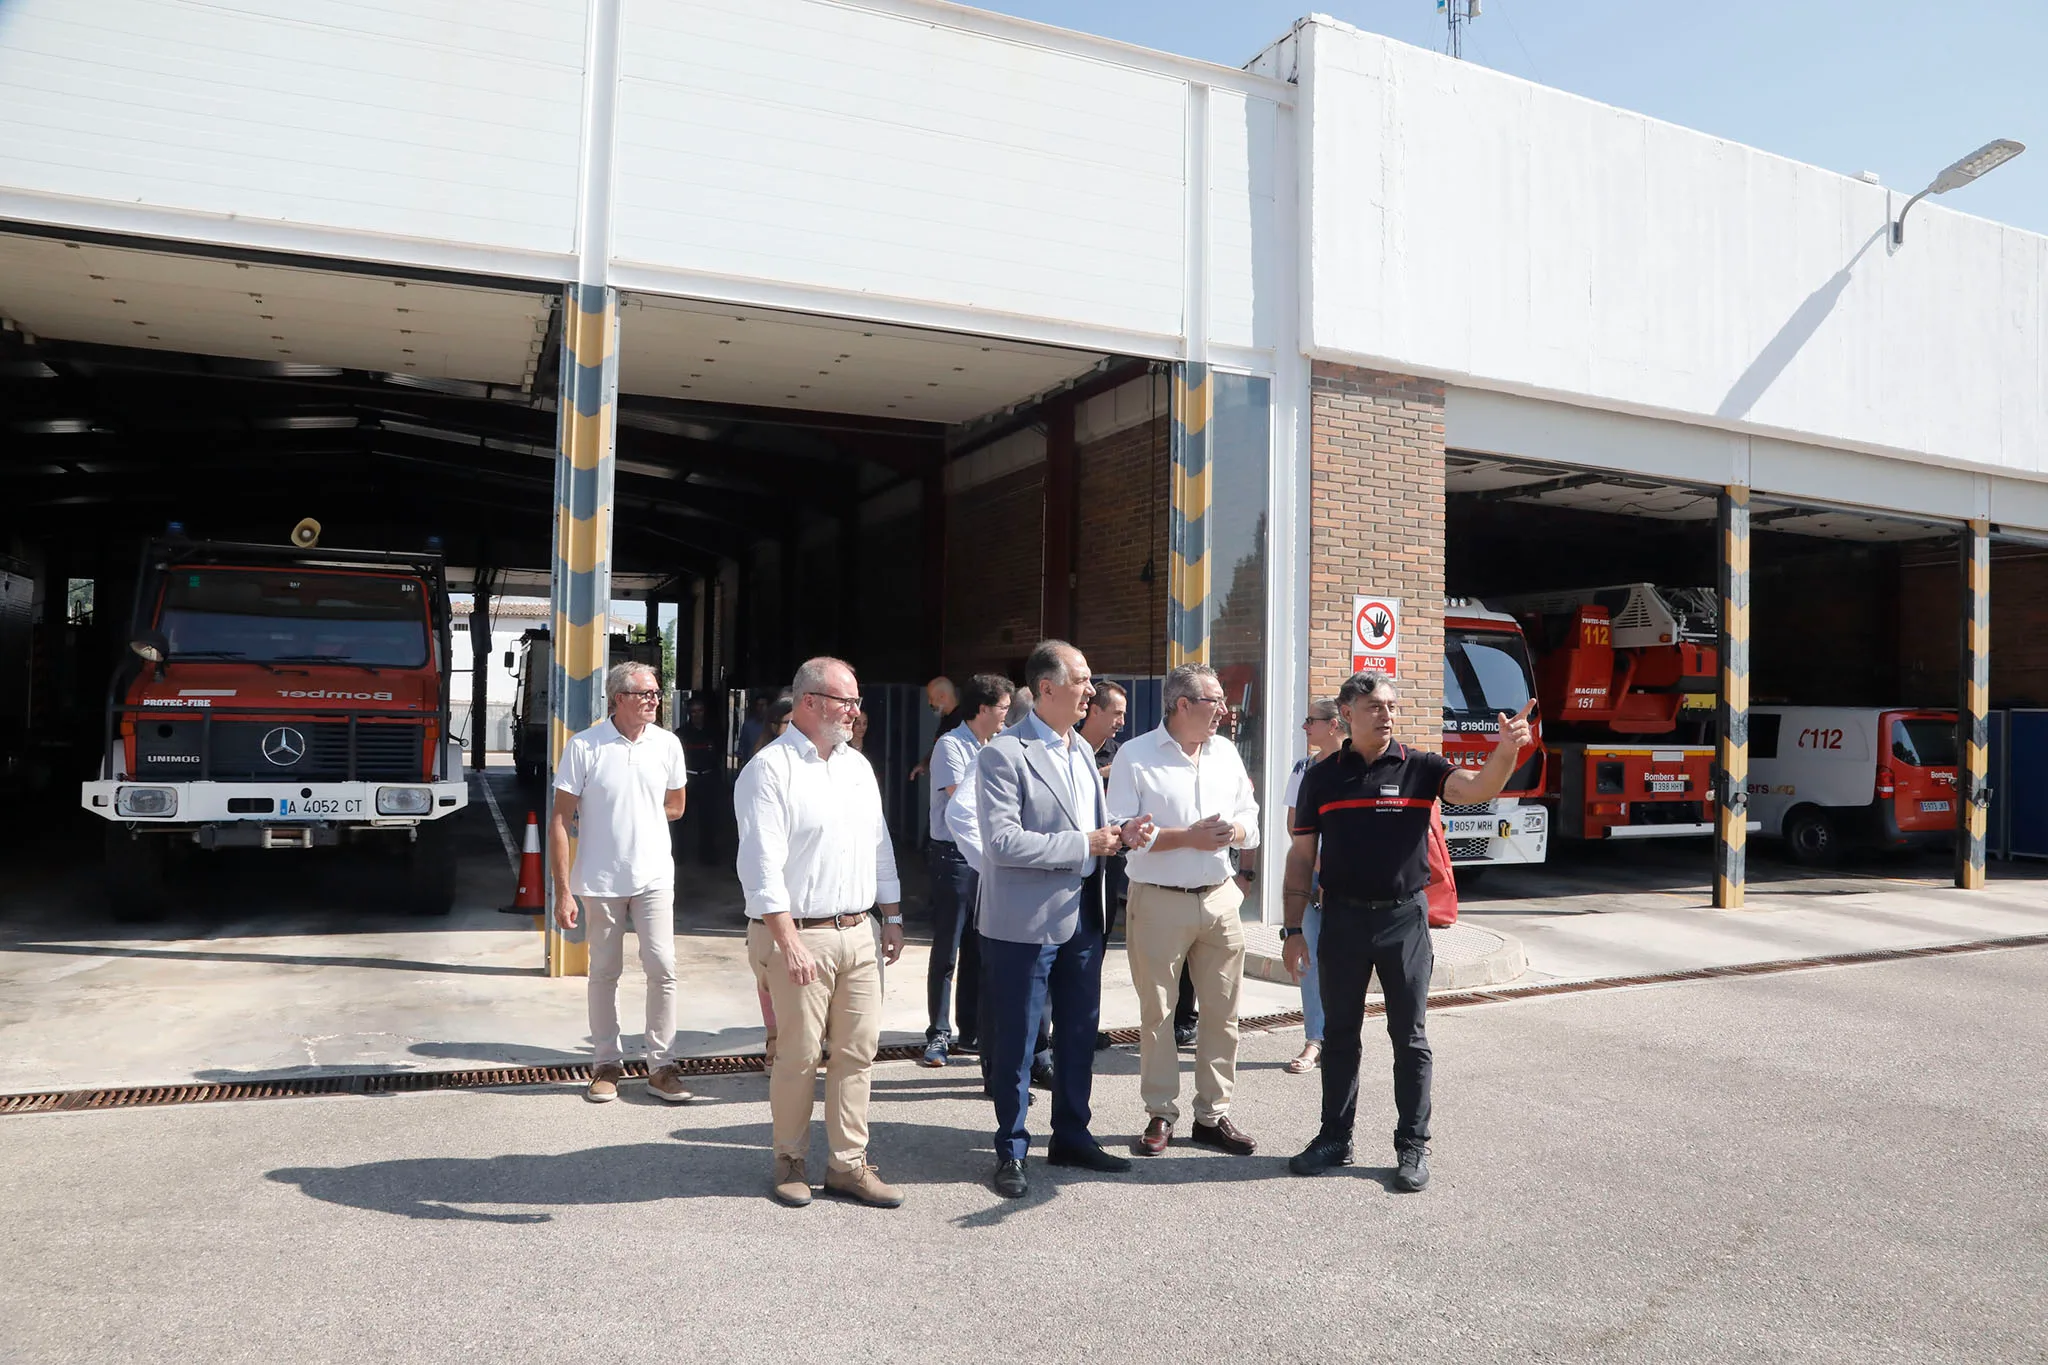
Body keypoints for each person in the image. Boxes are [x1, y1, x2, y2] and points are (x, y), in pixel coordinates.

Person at [1282, 672, 1533, 1192]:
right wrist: (1292, 928)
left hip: (1404, 919)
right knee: (1340, 1034)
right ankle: (1334, 1138)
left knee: (1410, 1037)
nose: (1387, 714)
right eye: (1375, 706)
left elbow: (1477, 788)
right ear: (1346, 713)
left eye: (1392, 706)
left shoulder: (1420, 767)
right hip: (1342, 918)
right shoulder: (1321, 777)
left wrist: (1506, 751)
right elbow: (1302, 856)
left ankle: (1412, 1144)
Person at [975, 640, 1151, 1198]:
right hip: (1023, 924)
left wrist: (1121, 834)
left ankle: (1072, 1134)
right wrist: (1086, 843)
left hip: (1084, 920)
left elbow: (1090, 830)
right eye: (1082, 680)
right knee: (1019, 1041)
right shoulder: (1004, 754)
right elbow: (1002, 842)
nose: (1091, 691)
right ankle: (1011, 1147)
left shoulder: (1081, 752)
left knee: (1078, 1034)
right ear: (1046, 688)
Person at [735, 656, 907, 1209]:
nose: (855, 711)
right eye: (845, 701)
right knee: (799, 1056)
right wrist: (788, 941)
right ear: (809, 702)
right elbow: (760, 866)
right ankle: (789, 1159)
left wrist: (891, 916)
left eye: (856, 701)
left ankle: (848, 1165)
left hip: (858, 931)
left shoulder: (857, 767)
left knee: (858, 1054)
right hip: (799, 935)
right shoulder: (770, 770)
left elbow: (878, 844)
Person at [1108, 662, 1262, 1158]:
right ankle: (1160, 1112)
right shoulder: (1136, 755)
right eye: (1215, 701)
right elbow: (1122, 830)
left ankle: (1212, 1115)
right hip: (1158, 900)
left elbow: (1251, 819)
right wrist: (1187, 838)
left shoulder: (1226, 753)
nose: (1224, 710)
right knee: (1158, 1013)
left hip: (1219, 898)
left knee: (1223, 1012)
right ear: (1182, 704)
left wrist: (1234, 832)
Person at [549, 662, 692, 1104]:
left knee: (662, 968)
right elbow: (560, 819)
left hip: (654, 878)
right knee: (604, 972)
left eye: (655, 693)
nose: (654, 700)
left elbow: (676, 806)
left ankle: (662, 1067)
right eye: (644, 693)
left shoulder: (667, 744)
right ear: (618, 698)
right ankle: (606, 1064)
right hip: (601, 880)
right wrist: (563, 891)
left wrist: (637, 816)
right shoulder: (584, 746)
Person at [921, 673, 1013, 1068]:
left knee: (979, 946)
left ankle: (970, 1030)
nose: (1007, 716)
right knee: (948, 948)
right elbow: (961, 798)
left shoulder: (997, 745)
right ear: (983, 709)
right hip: (954, 856)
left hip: (987, 856)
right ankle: (938, 1033)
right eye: (1003, 709)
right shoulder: (951, 745)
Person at [1282, 697, 1345, 1076]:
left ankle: (1342, 1038)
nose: (1305, 727)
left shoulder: (1356, 765)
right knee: (1309, 958)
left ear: (1334, 724)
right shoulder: (1303, 768)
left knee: (1347, 959)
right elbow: (1294, 825)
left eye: (1312, 720)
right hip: (1311, 875)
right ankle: (1315, 1039)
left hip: (1350, 878)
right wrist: (1319, 867)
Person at [748, 694, 798, 1066]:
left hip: (811, 893)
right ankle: (774, 1040)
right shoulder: (764, 768)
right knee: (770, 974)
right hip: (774, 889)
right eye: (789, 723)